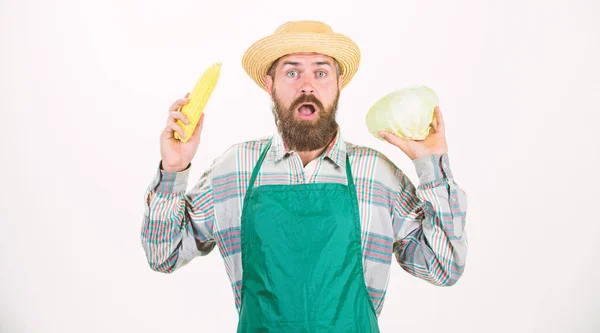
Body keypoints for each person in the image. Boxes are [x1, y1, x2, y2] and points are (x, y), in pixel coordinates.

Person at [141, 20, 468, 333]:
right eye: (292, 71)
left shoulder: (377, 176)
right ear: (270, 86)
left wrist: (432, 166)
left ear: (339, 85)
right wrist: (173, 170)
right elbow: (163, 255)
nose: (307, 84)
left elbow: (444, 267)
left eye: (321, 72)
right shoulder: (234, 169)